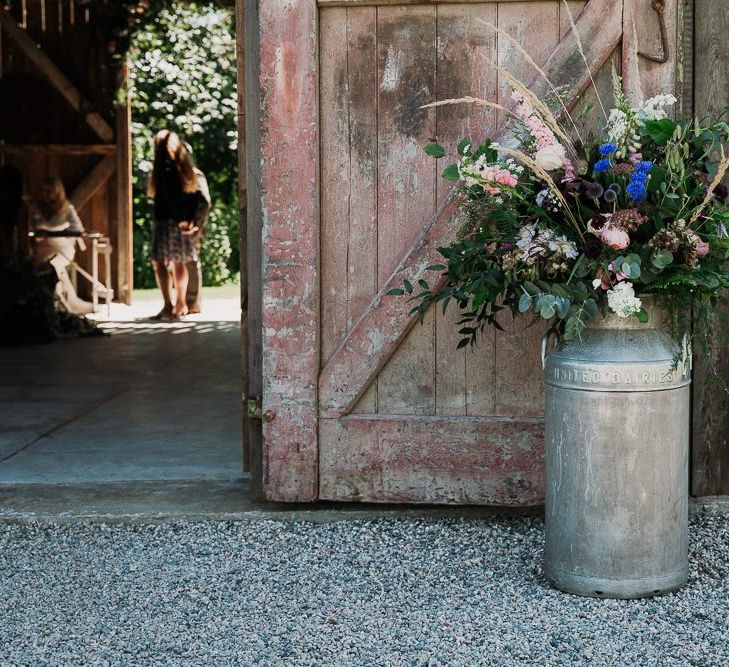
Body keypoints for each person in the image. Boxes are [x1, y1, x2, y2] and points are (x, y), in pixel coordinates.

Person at [148, 130, 209, 320]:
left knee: (167, 262)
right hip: (173, 220)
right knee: (175, 261)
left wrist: (184, 219)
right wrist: (189, 219)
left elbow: (174, 197)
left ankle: (174, 304)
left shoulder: (168, 168)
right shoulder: (182, 167)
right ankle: (177, 303)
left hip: (171, 221)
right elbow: (194, 197)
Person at [30, 177, 93, 315]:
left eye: (49, 191)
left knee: (52, 267)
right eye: (43, 191)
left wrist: (54, 233)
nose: (45, 194)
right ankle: (49, 305)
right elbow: (30, 229)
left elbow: (78, 228)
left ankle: (57, 306)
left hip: (61, 249)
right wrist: (38, 235)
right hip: (42, 250)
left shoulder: (67, 209)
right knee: (39, 269)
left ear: (57, 192)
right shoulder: (36, 209)